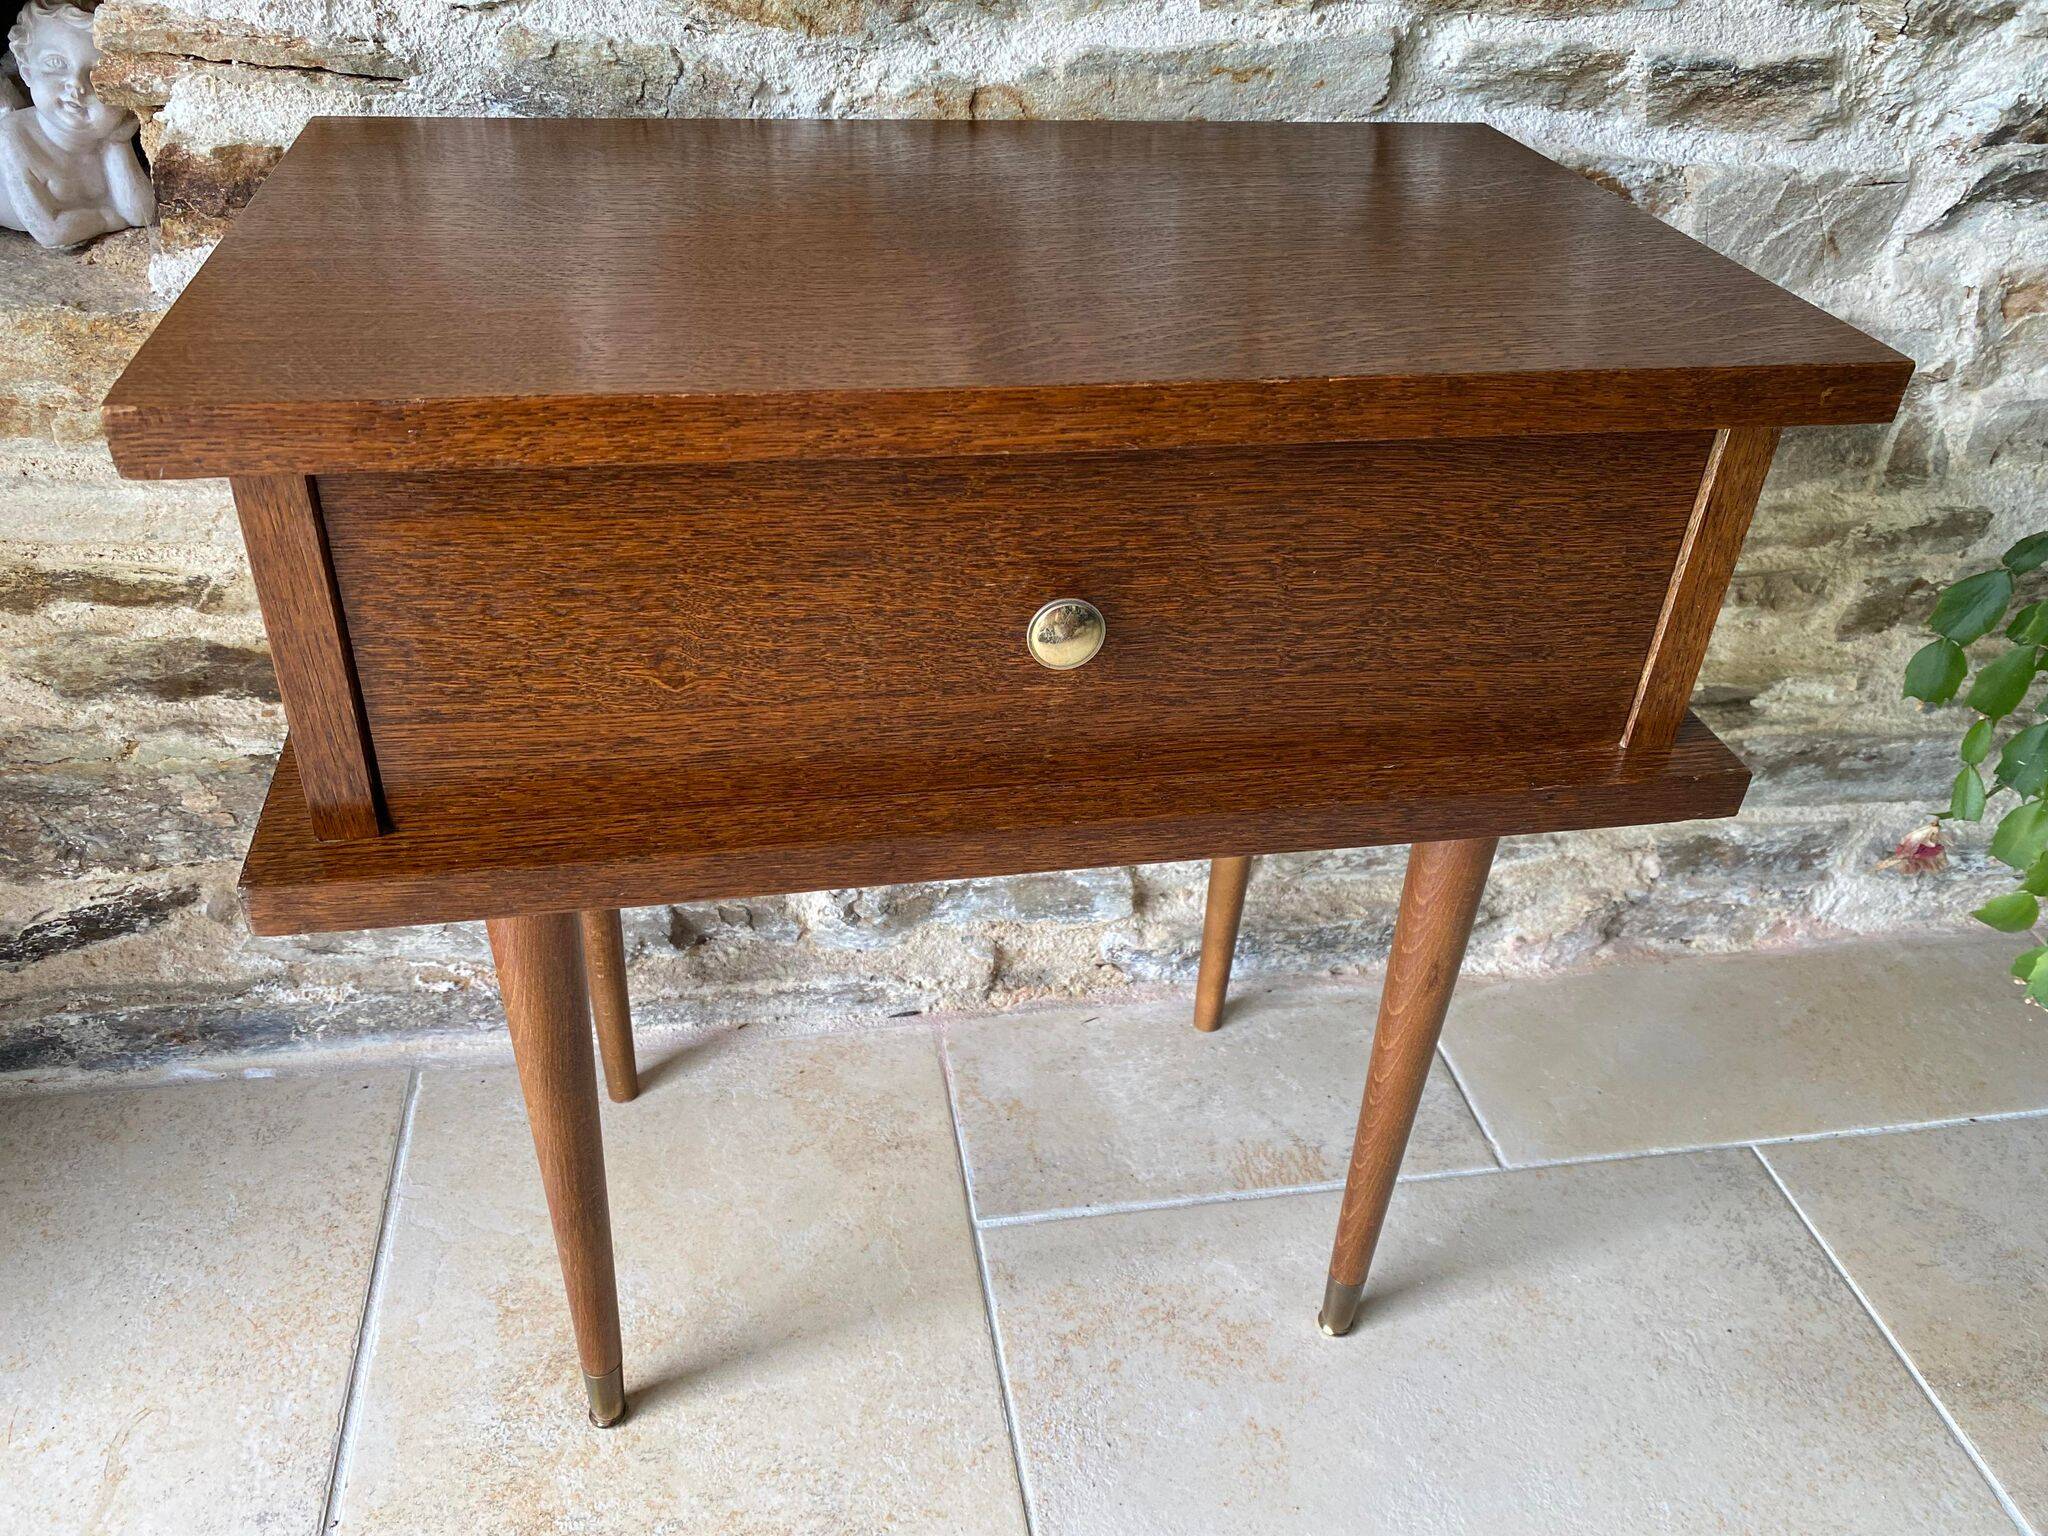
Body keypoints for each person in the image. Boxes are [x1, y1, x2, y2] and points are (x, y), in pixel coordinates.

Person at [0, 0, 153, 248]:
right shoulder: (14, 136)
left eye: (98, 74)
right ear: (27, 71)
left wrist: (118, 143)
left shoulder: (108, 136)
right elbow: (52, 232)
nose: (77, 86)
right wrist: (106, 218)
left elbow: (140, 213)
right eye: (56, 64)